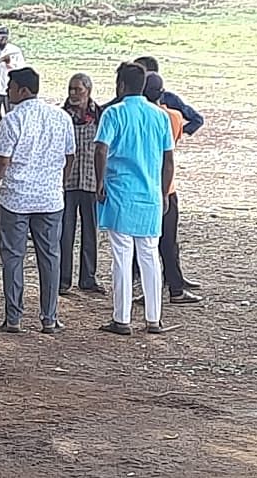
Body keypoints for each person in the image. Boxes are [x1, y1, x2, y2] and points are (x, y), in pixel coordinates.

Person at [0, 68, 74, 334]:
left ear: (22, 90)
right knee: (50, 257)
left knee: (13, 257)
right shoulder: (61, 117)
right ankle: (49, 318)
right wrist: (59, 183)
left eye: (11, 87)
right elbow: (70, 157)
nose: (8, 92)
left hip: (15, 200)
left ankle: (13, 318)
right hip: (50, 199)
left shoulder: (12, 120)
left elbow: (2, 161)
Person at [95, 63, 176, 336]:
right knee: (150, 255)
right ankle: (154, 318)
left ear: (120, 85)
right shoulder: (159, 116)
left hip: (119, 191)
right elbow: (168, 160)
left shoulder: (113, 113)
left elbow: (101, 150)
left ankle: (122, 318)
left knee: (121, 256)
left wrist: (99, 182)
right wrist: (164, 192)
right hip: (150, 194)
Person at [141, 73, 203, 304]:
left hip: (140, 184)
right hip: (166, 186)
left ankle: (149, 289)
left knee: (144, 243)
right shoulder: (173, 117)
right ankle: (175, 288)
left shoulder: (130, 116)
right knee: (168, 241)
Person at [60, 73, 106, 296]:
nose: (73, 94)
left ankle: (88, 278)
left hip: (91, 180)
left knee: (90, 232)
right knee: (65, 232)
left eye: (78, 89)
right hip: (66, 183)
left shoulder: (101, 115)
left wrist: (102, 180)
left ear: (88, 90)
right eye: (71, 89)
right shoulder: (61, 116)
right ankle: (63, 279)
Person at [133, 56, 204, 135]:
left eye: (137, 72)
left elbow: (197, 120)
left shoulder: (169, 99)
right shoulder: (132, 98)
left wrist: (177, 132)